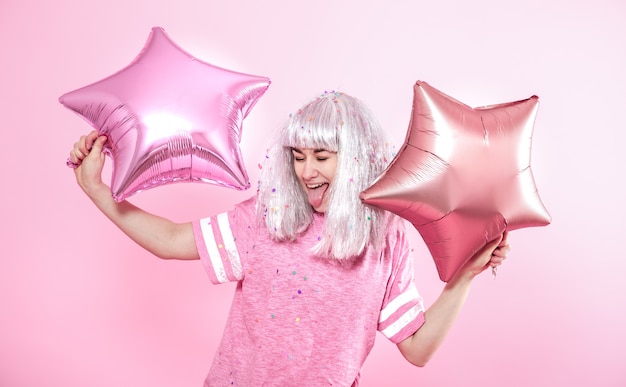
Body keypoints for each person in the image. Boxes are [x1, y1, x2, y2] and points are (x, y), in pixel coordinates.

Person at [69, 91, 509, 386]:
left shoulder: (385, 238)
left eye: (322, 156)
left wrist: (463, 278)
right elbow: (169, 240)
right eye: (298, 157)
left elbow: (416, 348)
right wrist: (97, 191)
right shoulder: (267, 217)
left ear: (356, 159)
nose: (306, 171)